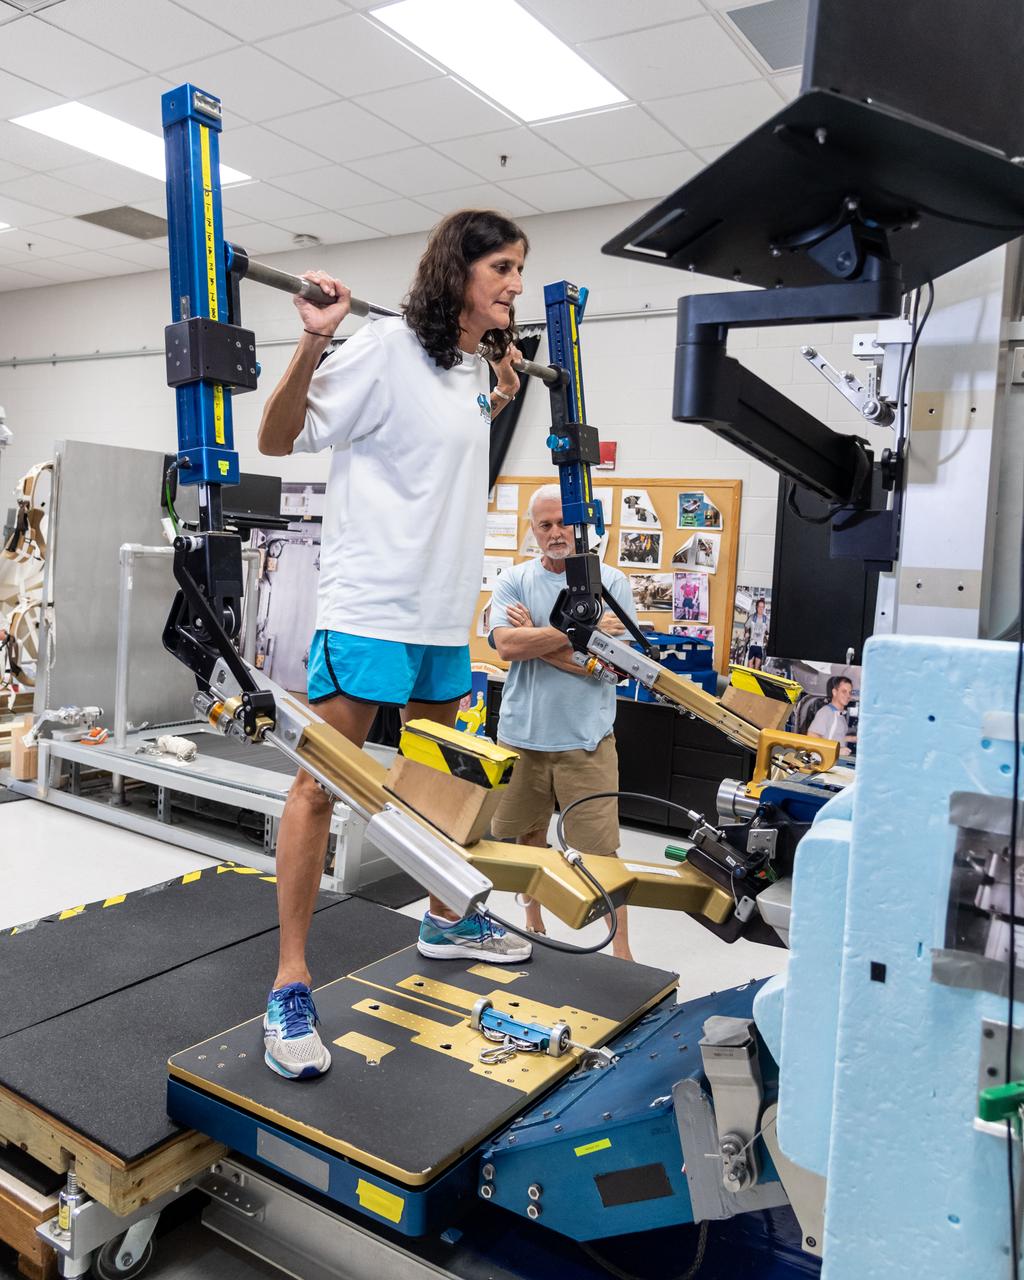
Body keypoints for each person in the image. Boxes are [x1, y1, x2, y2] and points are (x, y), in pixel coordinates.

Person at [256, 210, 534, 1081]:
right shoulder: (381, 346)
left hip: (442, 614)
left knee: (437, 784)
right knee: (322, 786)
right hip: (370, 606)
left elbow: (437, 455)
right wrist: (315, 342)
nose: (515, 285)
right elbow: (277, 438)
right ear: (458, 271)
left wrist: (500, 394)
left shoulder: (472, 370)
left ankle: (446, 918)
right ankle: (289, 982)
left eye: (520, 270)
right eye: (502, 267)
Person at [488, 485, 638, 961]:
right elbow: (506, 646)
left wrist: (535, 635)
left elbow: (614, 668)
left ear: (580, 525)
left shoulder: (611, 583)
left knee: (601, 853)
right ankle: (532, 921)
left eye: (564, 523)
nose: (556, 533)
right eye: (545, 525)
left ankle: (622, 951)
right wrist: (578, 636)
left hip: (586, 740)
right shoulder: (513, 580)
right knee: (528, 837)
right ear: (533, 530)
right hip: (523, 737)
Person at [808, 675, 856, 756]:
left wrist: (853, 739)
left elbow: (835, 737)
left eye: (850, 692)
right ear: (834, 692)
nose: (848, 696)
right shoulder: (826, 712)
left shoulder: (840, 715)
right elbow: (812, 737)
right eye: (844, 691)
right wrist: (836, 751)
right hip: (824, 760)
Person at [744, 597, 768, 669]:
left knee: (756, 669)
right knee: (749, 668)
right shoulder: (752, 617)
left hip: (760, 646)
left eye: (762, 607)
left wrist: (767, 637)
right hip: (752, 644)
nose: (761, 609)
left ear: (764, 608)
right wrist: (747, 632)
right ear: (756, 607)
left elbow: (768, 631)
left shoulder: (766, 619)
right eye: (759, 607)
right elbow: (746, 626)